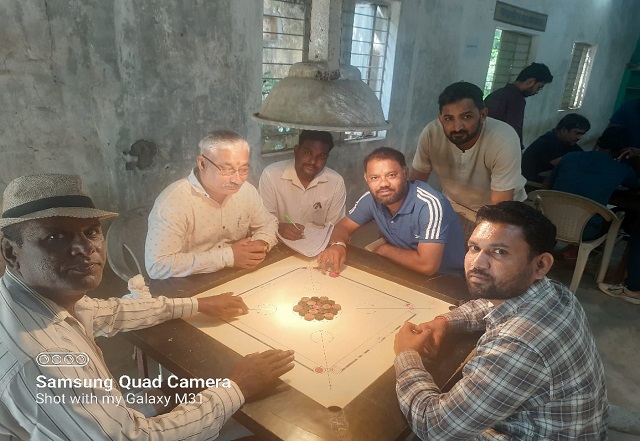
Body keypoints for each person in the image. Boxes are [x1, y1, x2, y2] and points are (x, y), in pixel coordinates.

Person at [0, 173, 295, 439]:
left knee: (178, 392)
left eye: (91, 232)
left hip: (88, 422)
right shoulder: (45, 360)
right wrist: (238, 387)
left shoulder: (38, 297)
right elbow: (134, 438)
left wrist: (197, 304)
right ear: (11, 252)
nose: (86, 248)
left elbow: (110, 312)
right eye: (55, 237)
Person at [393, 201, 608, 440]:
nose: (477, 263)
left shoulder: (517, 346)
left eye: (499, 252)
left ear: (541, 265)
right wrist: (445, 321)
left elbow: (435, 427)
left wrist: (406, 355)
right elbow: (493, 303)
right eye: (474, 248)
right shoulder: (556, 293)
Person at [146, 129, 278, 279]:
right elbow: (157, 265)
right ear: (202, 163)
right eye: (227, 170)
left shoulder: (246, 191)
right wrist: (228, 257)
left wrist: (261, 242)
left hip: (237, 274)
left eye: (243, 169)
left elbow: (268, 223)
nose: (237, 180)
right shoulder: (174, 202)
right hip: (189, 282)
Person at [316, 147, 465, 276]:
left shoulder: (429, 204)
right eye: (375, 178)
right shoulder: (370, 199)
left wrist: (385, 250)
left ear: (405, 173)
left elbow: (427, 266)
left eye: (391, 175)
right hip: (402, 268)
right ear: (366, 179)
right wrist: (338, 244)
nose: (383, 184)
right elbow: (343, 227)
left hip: (445, 279)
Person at [543, 126, 640, 303]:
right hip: (586, 231)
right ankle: (595, 267)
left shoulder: (570, 157)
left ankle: (567, 250)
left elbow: (547, 187)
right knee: (615, 217)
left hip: (549, 221)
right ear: (623, 151)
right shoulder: (620, 169)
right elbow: (635, 184)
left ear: (598, 142)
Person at [410, 81, 526, 223]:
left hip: (495, 214)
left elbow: (500, 209)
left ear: (483, 114)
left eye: (466, 117)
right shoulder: (431, 134)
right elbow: (416, 185)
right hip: (453, 207)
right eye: (449, 118)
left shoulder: (503, 139)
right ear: (440, 119)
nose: (457, 127)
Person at [258, 130, 346, 240]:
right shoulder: (272, 175)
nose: (313, 161)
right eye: (308, 152)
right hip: (280, 242)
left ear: (326, 159)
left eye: (321, 157)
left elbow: (336, 228)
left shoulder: (336, 182)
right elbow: (262, 220)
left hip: (318, 245)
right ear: (296, 151)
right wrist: (279, 227)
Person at [485, 62, 553, 148]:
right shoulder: (516, 99)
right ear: (530, 82)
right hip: (499, 147)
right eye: (539, 87)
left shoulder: (496, 94)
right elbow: (514, 131)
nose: (537, 92)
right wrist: (518, 149)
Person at [522, 113, 591, 183]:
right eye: (577, 133)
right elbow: (531, 172)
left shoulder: (573, 147)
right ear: (564, 130)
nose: (579, 138)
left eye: (582, 134)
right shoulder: (544, 144)